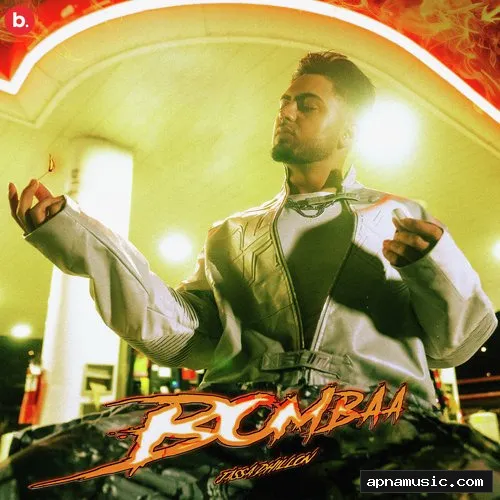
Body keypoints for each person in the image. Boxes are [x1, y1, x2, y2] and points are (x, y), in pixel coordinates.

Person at [6, 51, 500, 499]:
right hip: (240, 424)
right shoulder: (232, 233)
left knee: (477, 480)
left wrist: (433, 267)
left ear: (348, 133)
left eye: (307, 105)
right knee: (46, 469)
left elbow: (454, 345)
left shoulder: (400, 215)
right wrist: (80, 239)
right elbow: (185, 336)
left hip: (377, 422)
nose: (286, 113)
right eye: (285, 102)